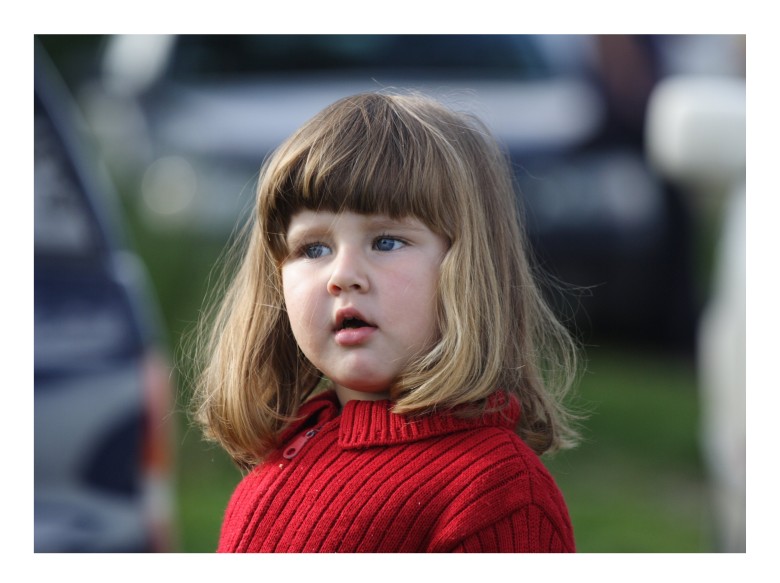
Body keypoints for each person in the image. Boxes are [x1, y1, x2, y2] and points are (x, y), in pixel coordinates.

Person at [191, 91, 580, 552]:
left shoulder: (498, 494)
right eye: (314, 248)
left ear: (470, 270)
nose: (343, 276)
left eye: (386, 242)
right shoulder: (280, 459)